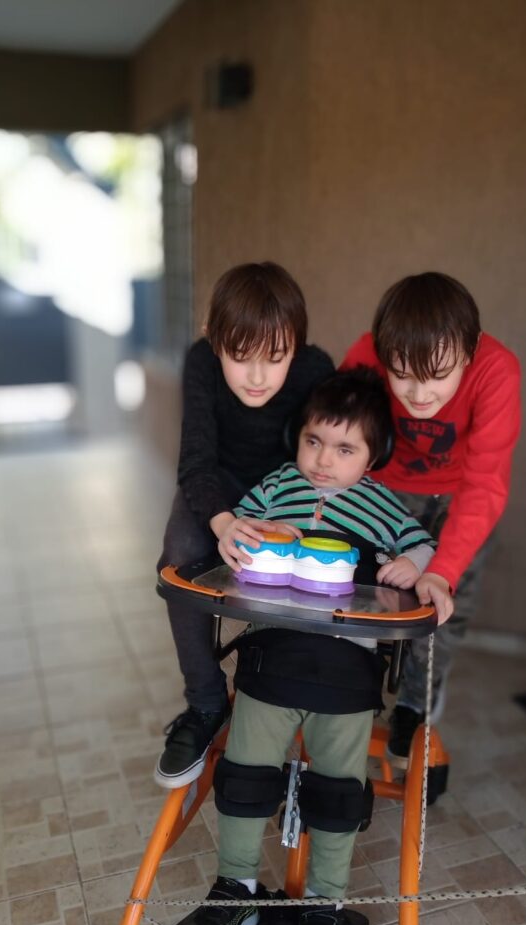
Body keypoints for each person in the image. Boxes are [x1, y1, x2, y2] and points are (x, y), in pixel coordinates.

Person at [190, 369, 444, 925]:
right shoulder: (276, 487)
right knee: (244, 775)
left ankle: (326, 902)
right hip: (270, 660)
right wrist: (232, 537)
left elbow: (426, 547)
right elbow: (236, 528)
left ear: (373, 455)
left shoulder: (382, 504)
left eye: (345, 448)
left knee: (338, 793)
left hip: (345, 672)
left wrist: (412, 565)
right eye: (313, 441)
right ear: (296, 438)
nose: (323, 462)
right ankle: (238, 889)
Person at [155, 262, 335, 788]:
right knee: (179, 557)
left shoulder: (316, 370)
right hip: (218, 488)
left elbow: (328, 452)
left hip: (288, 492)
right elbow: (194, 461)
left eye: (275, 358)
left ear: (296, 348)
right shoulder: (199, 364)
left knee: (301, 574)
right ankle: (206, 703)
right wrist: (224, 522)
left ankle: (279, 699)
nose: (257, 376)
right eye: (241, 357)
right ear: (214, 341)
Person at [340, 271, 521, 765]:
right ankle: (361, 695)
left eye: (438, 375)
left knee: (446, 609)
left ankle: (417, 700)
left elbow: (485, 483)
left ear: (469, 350)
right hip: (390, 492)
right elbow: (342, 438)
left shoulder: (497, 370)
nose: (419, 393)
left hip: (464, 494)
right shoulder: (364, 354)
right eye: (402, 374)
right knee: (379, 594)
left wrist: (441, 569)